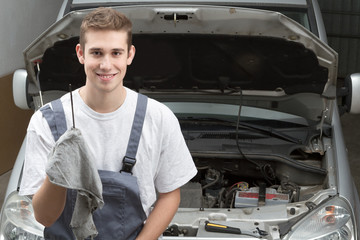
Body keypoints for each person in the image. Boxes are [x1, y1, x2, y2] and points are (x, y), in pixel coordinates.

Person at [19, 7, 197, 240]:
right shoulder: (46, 121)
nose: (106, 64)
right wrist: (57, 176)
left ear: (129, 54)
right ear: (81, 53)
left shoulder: (158, 118)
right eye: (96, 53)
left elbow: (170, 195)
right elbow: (43, 217)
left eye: (115, 53)